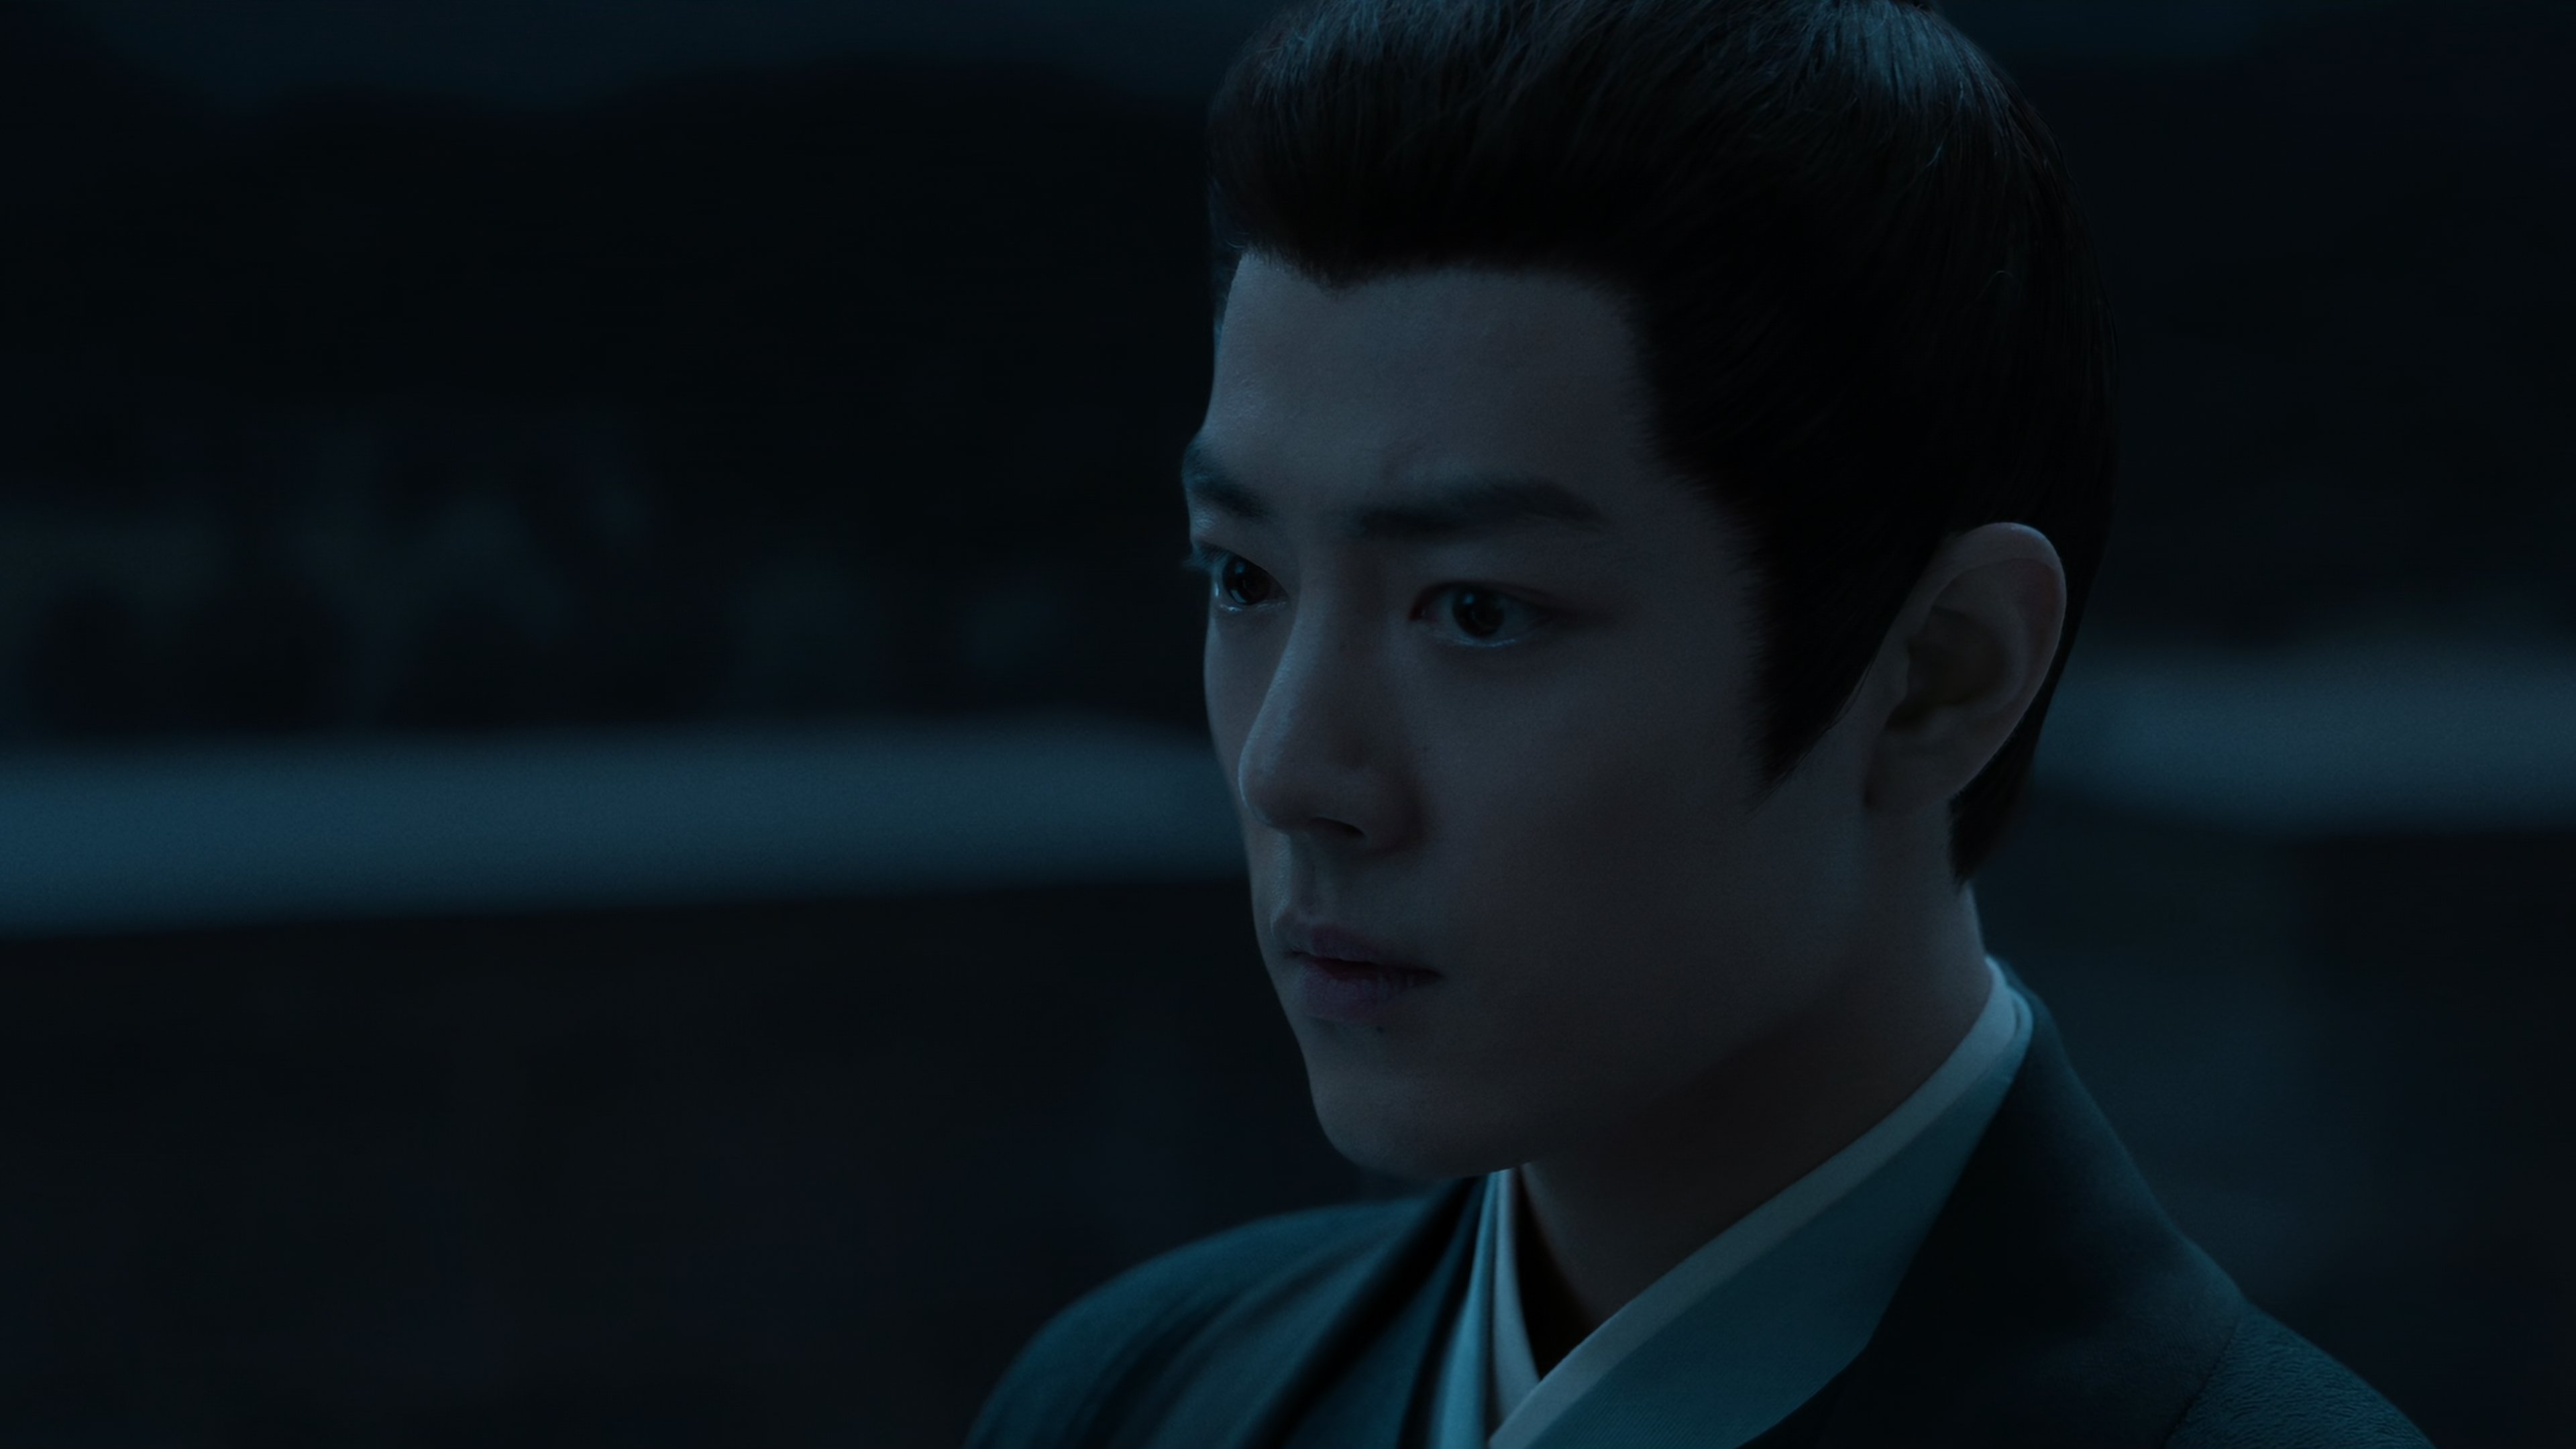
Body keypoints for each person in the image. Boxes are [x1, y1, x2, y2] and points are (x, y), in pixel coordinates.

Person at [971, 0, 2433, 1443]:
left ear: (1939, 674)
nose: (1290, 771)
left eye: (1479, 610)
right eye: (1243, 578)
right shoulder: (1133, 1401)